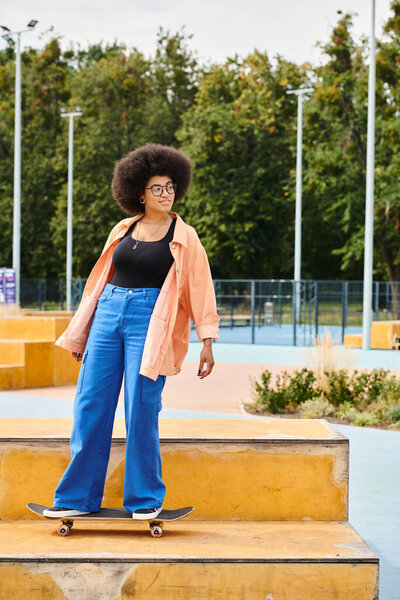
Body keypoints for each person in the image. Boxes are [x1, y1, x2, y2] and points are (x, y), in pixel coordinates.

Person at [43, 143, 220, 520]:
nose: (165, 193)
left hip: (149, 319)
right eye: (157, 188)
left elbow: (200, 289)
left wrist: (207, 341)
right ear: (139, 192)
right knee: (90, 404)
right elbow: (98, 282)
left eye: (170, 186)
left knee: (142, 407)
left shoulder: (185, 237)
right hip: (107, 314)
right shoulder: (123, 228)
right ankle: (76, 498)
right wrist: (85, 330)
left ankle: (144, 500)